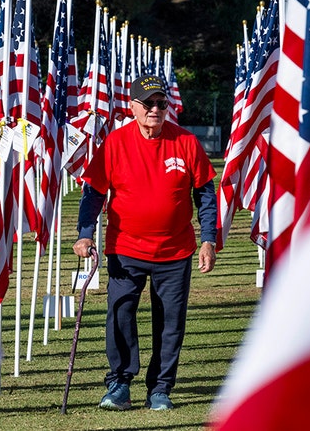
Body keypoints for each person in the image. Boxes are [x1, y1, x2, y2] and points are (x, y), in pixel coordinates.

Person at [72, 74, 217, 411]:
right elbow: (93, 193)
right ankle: (120, 383)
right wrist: (84, 233)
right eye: (148, 103)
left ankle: (161, 389)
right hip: (125, 249)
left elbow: (205, 195)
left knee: (170, 320)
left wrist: (209, 239)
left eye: (161, 103)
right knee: (120, 313)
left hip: (175, 250)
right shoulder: (115, 143)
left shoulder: (186, 142)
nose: (155, 109)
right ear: (133, 107)